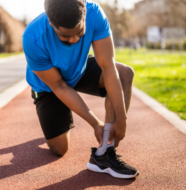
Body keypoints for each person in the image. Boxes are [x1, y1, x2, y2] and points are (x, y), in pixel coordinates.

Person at [22, 0, 139, 179]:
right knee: (59, 149)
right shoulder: (32, 38)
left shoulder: (94, 12)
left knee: (125, 73)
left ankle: (104, 155)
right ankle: (55, 126)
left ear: (84, 16)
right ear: (51, 23)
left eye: (80, 32)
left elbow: (108, 67)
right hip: (50, 86)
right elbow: (59, 86)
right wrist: (95, 123)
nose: (75, 40)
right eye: (66, 37)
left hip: (78, 70)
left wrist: (121, 119)